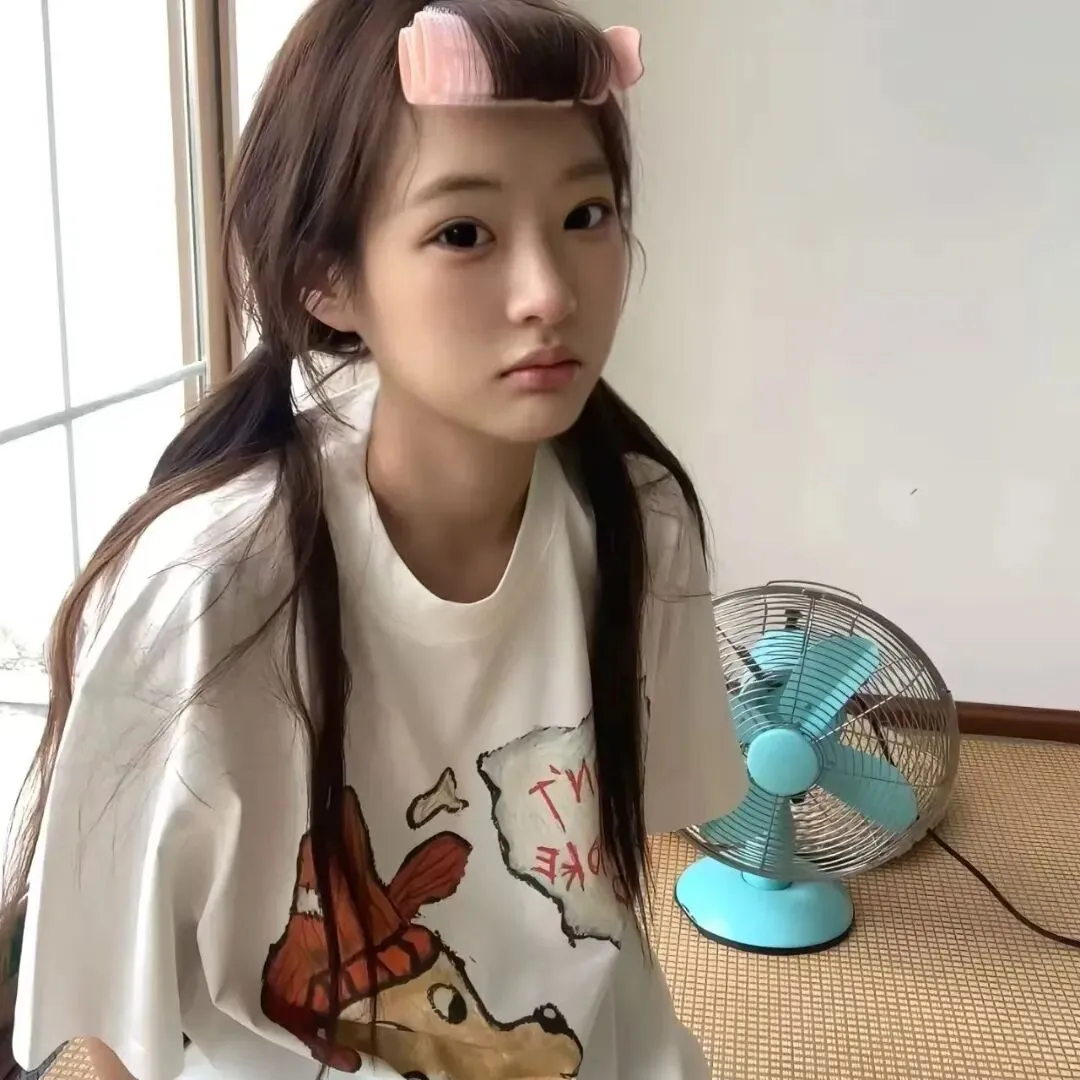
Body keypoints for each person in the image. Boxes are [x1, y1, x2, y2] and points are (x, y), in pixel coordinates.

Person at [5, 1, 746, 1077]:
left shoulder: (642, 520)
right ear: (329, 279)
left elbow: (607, 900)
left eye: (586, 214)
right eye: (463, 233)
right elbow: (112, 1018)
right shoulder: (207, 592)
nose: (550, 293)